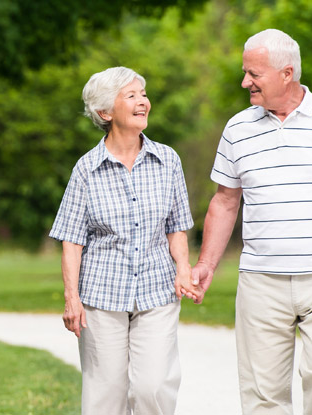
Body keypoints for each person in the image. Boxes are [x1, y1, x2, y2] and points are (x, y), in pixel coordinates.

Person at [190, 29, 312, 415]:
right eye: (246, 73)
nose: (245, 82)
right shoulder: (237, 128)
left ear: (286, 73)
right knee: (263, 395)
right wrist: (207, 264)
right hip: (260, 280)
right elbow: (225, 201)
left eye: (254, 74)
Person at [49, 66, 197, 415]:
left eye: (143, 94)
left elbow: (176, 226)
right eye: (131, 96)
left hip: (157, 290)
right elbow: (71, 240)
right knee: (105, 396)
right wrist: (72, 299)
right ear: (105, 112)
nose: (143, 101)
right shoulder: (86, 169)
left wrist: (183, 268)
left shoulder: (168, 161)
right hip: (102, 295)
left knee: (153, 388)